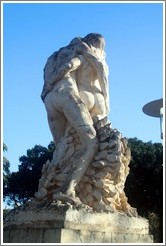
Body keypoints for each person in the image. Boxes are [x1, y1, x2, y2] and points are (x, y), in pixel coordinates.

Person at [41, 33, 109, 204]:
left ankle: (48, 192)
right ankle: (67, 190)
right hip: (67, 96)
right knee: (91, 142)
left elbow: (51, 72)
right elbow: (70, 65)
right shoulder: (83, 54)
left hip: (50, 100)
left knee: (61, 147)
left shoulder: (56, 55)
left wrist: (47, 86)